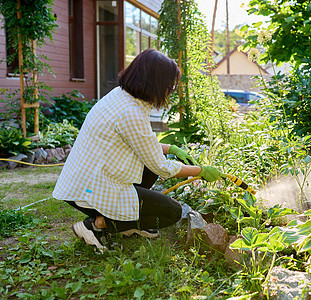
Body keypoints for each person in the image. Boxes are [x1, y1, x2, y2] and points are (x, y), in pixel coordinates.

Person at [52, 49, 223, 253]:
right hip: (89, 191)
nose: (171, 91)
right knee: (171, 212)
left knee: (157, 159)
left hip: (88, 179)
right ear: (156, 84)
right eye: (170, 86)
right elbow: (162, 168)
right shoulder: (130, 112)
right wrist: (201, 170)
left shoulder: (121, 97)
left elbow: (142, 145)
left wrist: (171, 148)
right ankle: (96, 226)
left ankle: (126, 222)